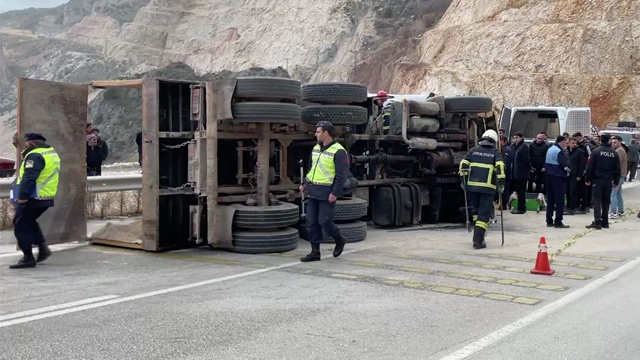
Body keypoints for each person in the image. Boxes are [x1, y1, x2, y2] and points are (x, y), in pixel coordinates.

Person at [299, 121, 350, 262]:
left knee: (324, 221)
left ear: (326, 133)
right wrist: (304, 183)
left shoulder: (339, 151)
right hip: (313, 190)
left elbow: (341, 175)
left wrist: (335, 193)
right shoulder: (316, 148)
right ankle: (315, 252)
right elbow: (312, 168)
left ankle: (339, 240)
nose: (316, 134)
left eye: (318, 132)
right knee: (312, 222)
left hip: (327, 192)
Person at [9, 133, 60, 269]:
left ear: (31, 144)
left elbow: (29, 177)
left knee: (20, 224)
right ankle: (43, 249)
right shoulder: (51, 152)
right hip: (46, 196)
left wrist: (22, 196)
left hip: (33, 196)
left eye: (26, 144)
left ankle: (28, 258)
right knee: (29, 221)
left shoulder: (35, 156)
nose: (25, 147)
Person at [459, 129, 506, 249]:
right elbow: (500, 168)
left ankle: (478, 234)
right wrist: (501, 183)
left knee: (476, 212)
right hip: (487, 188)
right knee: (484, 215)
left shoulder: (473, 150)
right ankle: (478, 241)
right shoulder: (495, 152)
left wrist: (463, 181)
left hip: (472, 188)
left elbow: (464, 164)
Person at [584, 133, 620, 230]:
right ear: (609, 140)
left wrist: (587, 179)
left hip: (598, 179)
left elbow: (590, 167)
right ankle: (605, 222)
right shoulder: (614, 153)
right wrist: (616, 181)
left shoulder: (596, 151)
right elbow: (618, 169)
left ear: (601, 140)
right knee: (606, 201)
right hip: (608, 180)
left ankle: (597, 222)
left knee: (597, 200)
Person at [544, 135, 570, 228]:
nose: (565, 145)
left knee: (550, 199)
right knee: (559, 200)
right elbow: (565, 165)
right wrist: (570, 170)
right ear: (561, 142)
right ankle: (558, 221)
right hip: (557, 177)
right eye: (564, 143)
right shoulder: (559, 151)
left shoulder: (550, 149)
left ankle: (549, 220)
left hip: (549, 176)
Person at [511, 132, 531, 214]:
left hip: (522, 173)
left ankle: (521, 208)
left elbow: (526, 159)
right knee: (519, 191)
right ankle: (521, 207)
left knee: (521, 191)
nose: (515, 139)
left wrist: (529, 168)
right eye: (514, 138)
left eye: (517, 137)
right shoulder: (516, 146)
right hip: (518, 172)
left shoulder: (524, 147)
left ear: (521, 138)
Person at [565, 137, 585, 215]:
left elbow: (582, 164)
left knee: (573, 191)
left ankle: (573, 207)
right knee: (567, 190)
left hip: (575, 174)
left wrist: (579, 175)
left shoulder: (579, 152)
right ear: (569, 143)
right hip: (567, 174)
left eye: (575, 143)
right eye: (572, 143)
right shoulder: (565, 151)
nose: (574, 145)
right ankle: (568, 205)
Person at [609, 136, 627, 219]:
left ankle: (613, 212)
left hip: (618, 175)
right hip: (621, 175)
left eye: (615, 142)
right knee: (618, 193)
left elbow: (616, 164)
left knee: (613, 194)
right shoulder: (621, 150)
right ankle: (620, 210)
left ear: (620, 142)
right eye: (612, 142)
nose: (613, 144)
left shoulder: (619, 151)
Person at [574, 132, 593, 213]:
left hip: (585, 170)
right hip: (581, 169)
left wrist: (586, 169)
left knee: (584, 189)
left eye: (576, 139)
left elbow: (590, 157)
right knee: (580, 189)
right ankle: (580, 205)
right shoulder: (581, 146)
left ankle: (585, 206)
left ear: (579, 137)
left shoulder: (586, 145)